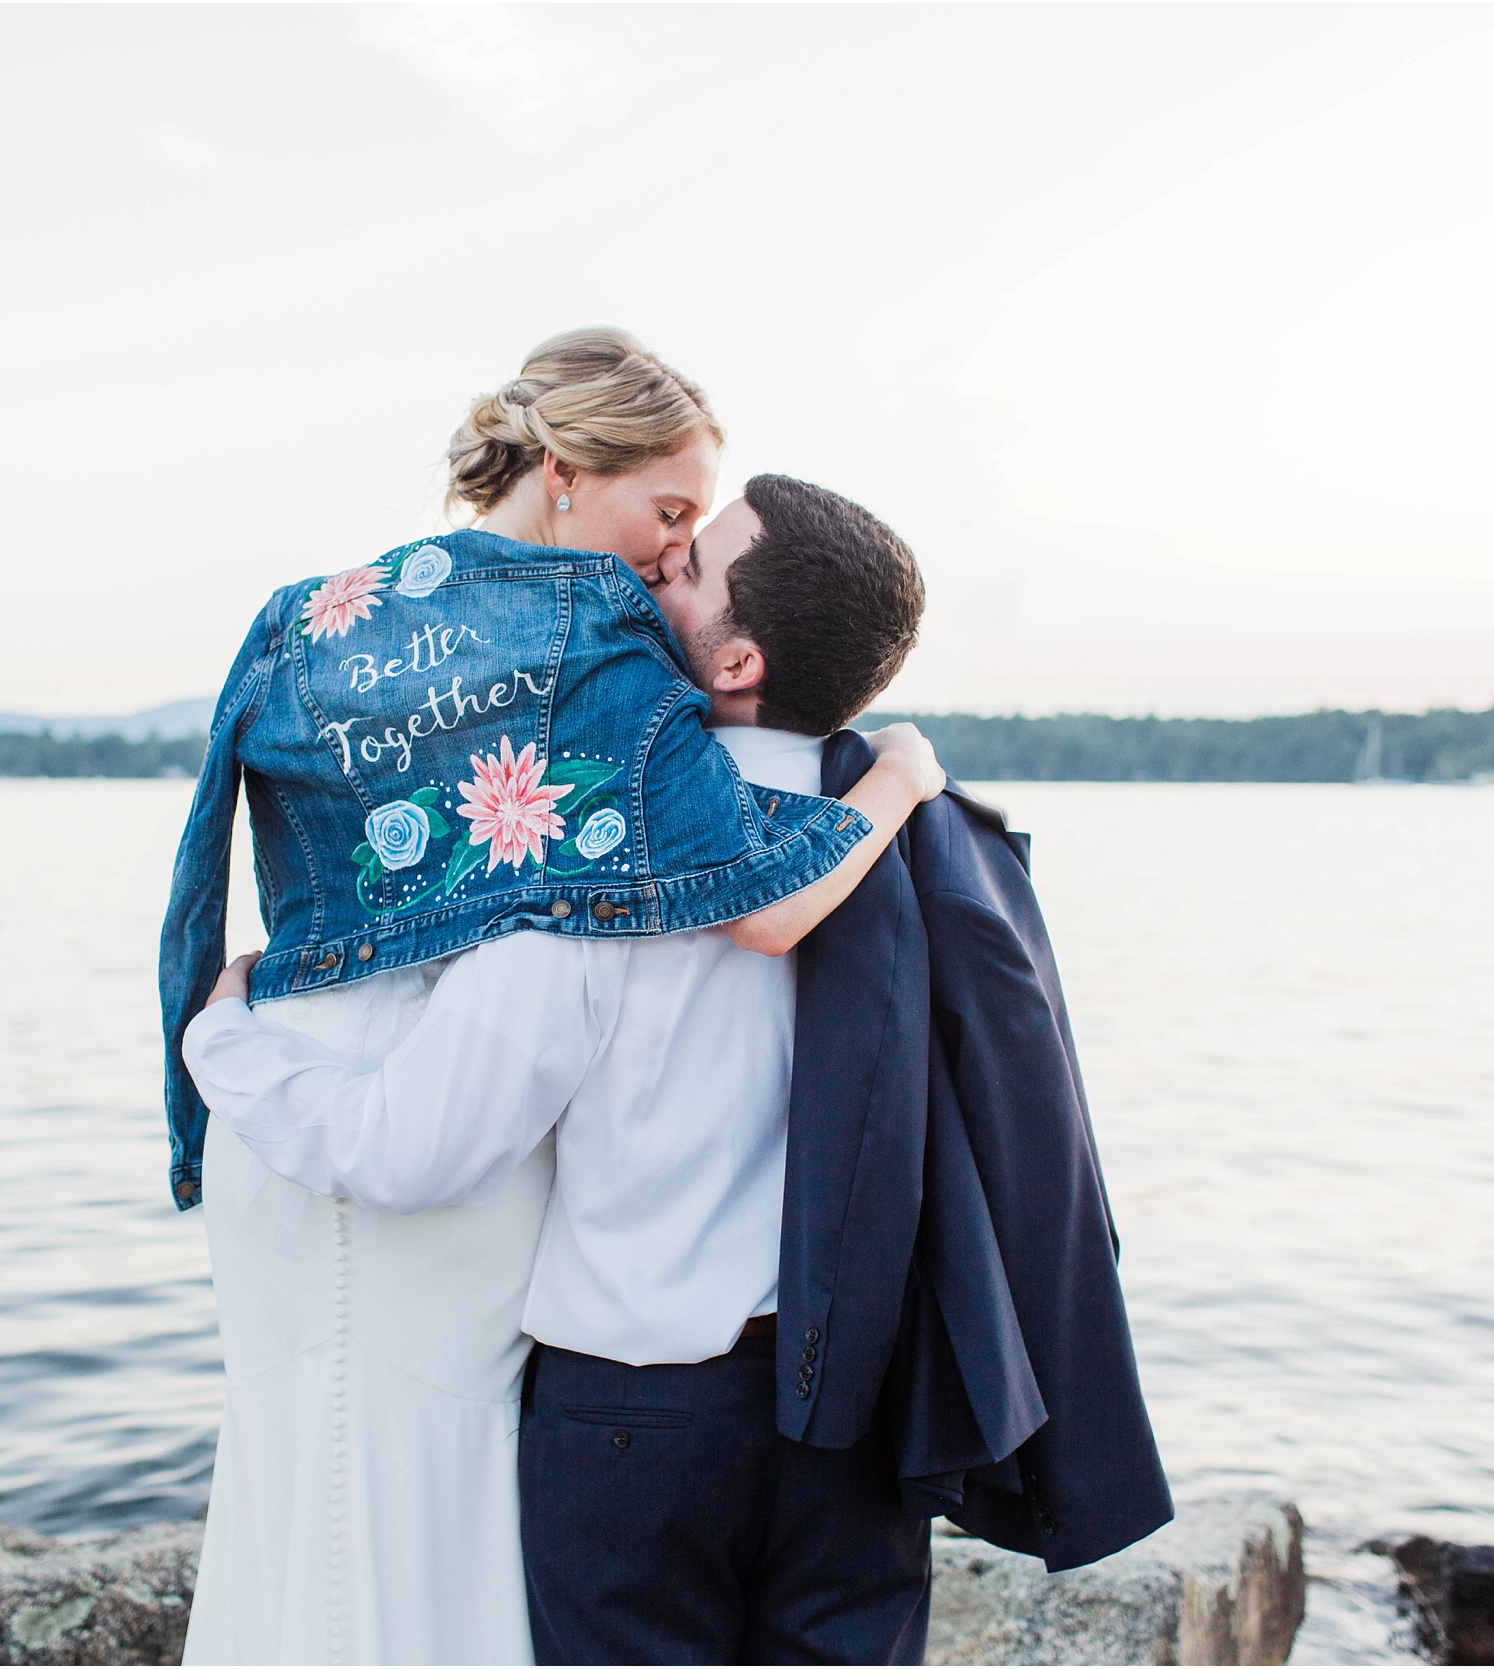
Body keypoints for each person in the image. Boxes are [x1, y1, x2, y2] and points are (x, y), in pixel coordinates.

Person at [189, 471, 1176, 1663]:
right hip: (853, 1421)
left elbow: (403, 1153)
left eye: (692, 563)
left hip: (631, 1426)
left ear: (734, 661)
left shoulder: (588, 874)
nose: (658, 569)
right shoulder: (921, 844)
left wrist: (222, 1039)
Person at [158, 332, 945, 1665]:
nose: (669, 557)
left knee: (304, 1484)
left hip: (303, 1084)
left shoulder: (302, 617)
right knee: (410, 1501)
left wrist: (202, 1055)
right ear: (570, 471)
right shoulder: (607, 645)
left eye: (697, 532)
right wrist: (894, 782)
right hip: (407, 1115)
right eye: (672, 516)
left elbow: (205, 864)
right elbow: (756, 898)